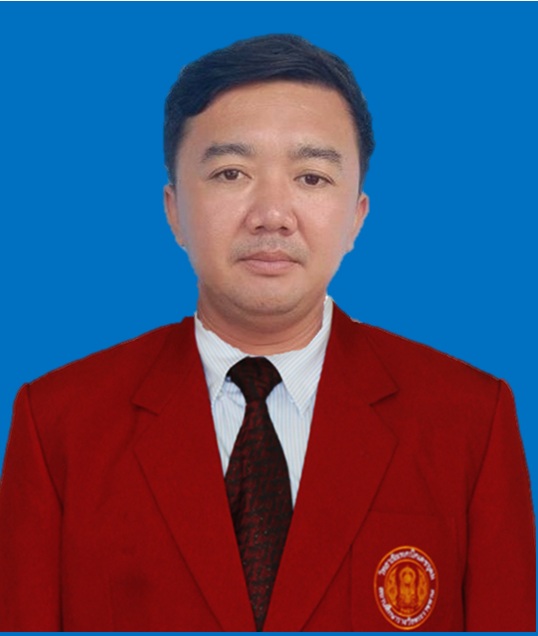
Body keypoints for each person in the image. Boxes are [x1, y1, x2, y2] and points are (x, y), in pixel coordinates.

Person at [0, 34, 534, 632]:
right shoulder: (59, 425)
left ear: (357, 217)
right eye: (231, 173)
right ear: (174, 210)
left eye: (312, 177)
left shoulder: (469, 421)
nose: (272, 215)